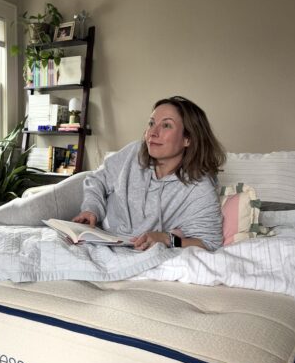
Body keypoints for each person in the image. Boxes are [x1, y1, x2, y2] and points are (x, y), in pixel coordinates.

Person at [72, 96, 226, 251]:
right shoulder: (134, 152)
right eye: (151, 123)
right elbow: (97, 179)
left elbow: (209, 242)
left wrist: (167, 239)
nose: (152, 132)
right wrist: (91, 209)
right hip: (98, 237)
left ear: (188, 139)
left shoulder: (199, 188)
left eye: (166, 125)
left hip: (138, 252)